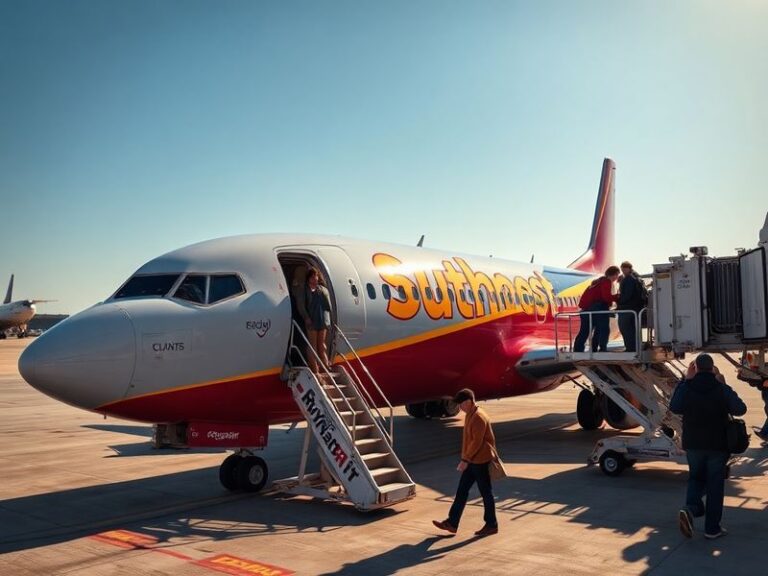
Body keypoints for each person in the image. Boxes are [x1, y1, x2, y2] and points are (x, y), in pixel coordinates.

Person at [670, 353, 747, 540]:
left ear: (695, 369)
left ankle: (691, 509)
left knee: (696, 479)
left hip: (693, 445)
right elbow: (740, 409)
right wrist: (724, 384)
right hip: (717, 446)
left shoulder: (687, 387)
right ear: (712, 369)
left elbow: (675, 407)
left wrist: (685, 381)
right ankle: (712, 529)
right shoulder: (720, 388)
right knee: (714, 486)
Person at [432, 388, 498, 537]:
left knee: (486, 493)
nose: (460, 408)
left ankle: (491, 524)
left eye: (461, 404)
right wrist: (467, 458)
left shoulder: (478, 417)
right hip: (473, 460)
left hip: (479, 461)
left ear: (468, 402)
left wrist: (465, 460)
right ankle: (452, 523)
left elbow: (476, 442)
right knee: (462, 491)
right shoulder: (470, 414)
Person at [573, 265, 620, 352]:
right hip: (599, 308)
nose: (617, 278)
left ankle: (578, 349)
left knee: (584, 331)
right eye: (617, 275)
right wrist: (617, 297)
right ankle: (601, 348)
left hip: (586, 310)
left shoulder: (596, 282)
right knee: (603, 329)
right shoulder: (606, 282)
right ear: (614, 274)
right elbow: (606, 297)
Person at [304, 267, 332, 373]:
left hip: (321, 320)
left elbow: (328, 307)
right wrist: (306, 317)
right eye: (312, 277)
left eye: (316, 276)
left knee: (322, 344)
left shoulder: (323, 290)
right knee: (313, 346)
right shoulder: (305, 290)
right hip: (311, 320)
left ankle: (325, 366)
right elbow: (302, 305)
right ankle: (314, 368)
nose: (315, 278)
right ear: (308, 278)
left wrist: (327, 322)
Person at [616, 261, 646, 352]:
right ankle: (636, 347)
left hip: (628, 308)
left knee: (625, 328)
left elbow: (627, 295)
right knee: (634, 329)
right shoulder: (637, 277)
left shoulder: (629, 279)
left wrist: (619, 302)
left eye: (624, 269)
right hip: (636, 308)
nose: (623, 271)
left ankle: (630, 348)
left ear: (628, 268)